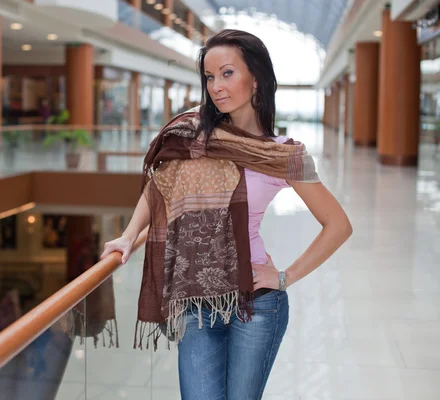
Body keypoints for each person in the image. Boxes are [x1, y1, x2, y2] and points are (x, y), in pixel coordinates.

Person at [101, 29, 352, 400]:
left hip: (257, 304)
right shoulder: (191, 134)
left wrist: (285, 277)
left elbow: (339, 225)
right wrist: (128, 235)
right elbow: (159, 186)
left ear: (257, 80)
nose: (216, 86)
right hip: (196, 302)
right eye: (209, 76)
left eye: (227, 73)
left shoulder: (283, 153)